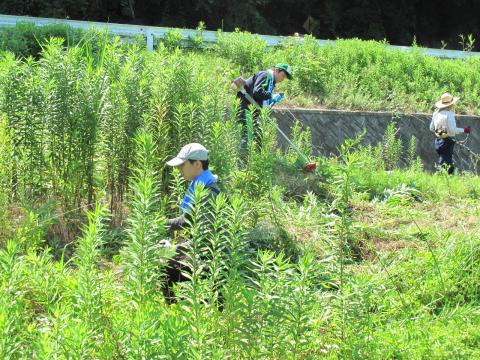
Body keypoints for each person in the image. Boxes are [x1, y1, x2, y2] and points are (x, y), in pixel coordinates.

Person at [162, 143, 221, 300]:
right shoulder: (203, 185)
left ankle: (174, 314)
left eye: (182, 164)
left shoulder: (208, 193)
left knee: (167, 268)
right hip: (208, 252)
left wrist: (176, 249)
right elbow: (188, 220)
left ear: (197, 164)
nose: (179, 169)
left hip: (214, 257)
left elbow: (207, 238)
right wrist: (161, 224)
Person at [236, 63, 293, 151]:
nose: (283, 79)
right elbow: (257, 92)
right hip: (245, 109)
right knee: (247, 136)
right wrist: (271, 96)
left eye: (285, 77)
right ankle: (242, 162)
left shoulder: (271, 82)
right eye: (283, 75)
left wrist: (273, 99)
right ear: (276, 70)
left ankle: (254, 161)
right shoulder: (265, 75)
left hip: (252, 111)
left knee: (258, 136)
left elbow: (262, 98)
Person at [429, 93, 472, 174]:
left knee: (448, 163)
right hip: (447, 142)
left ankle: (447, 178)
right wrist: (465, 130)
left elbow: (431, 128)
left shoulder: (436, 114)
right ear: (451, 104)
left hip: (438, 141)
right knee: (444, 164)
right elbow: (452, 130)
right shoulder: (449, 114)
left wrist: (440, 131)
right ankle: (439, 178)